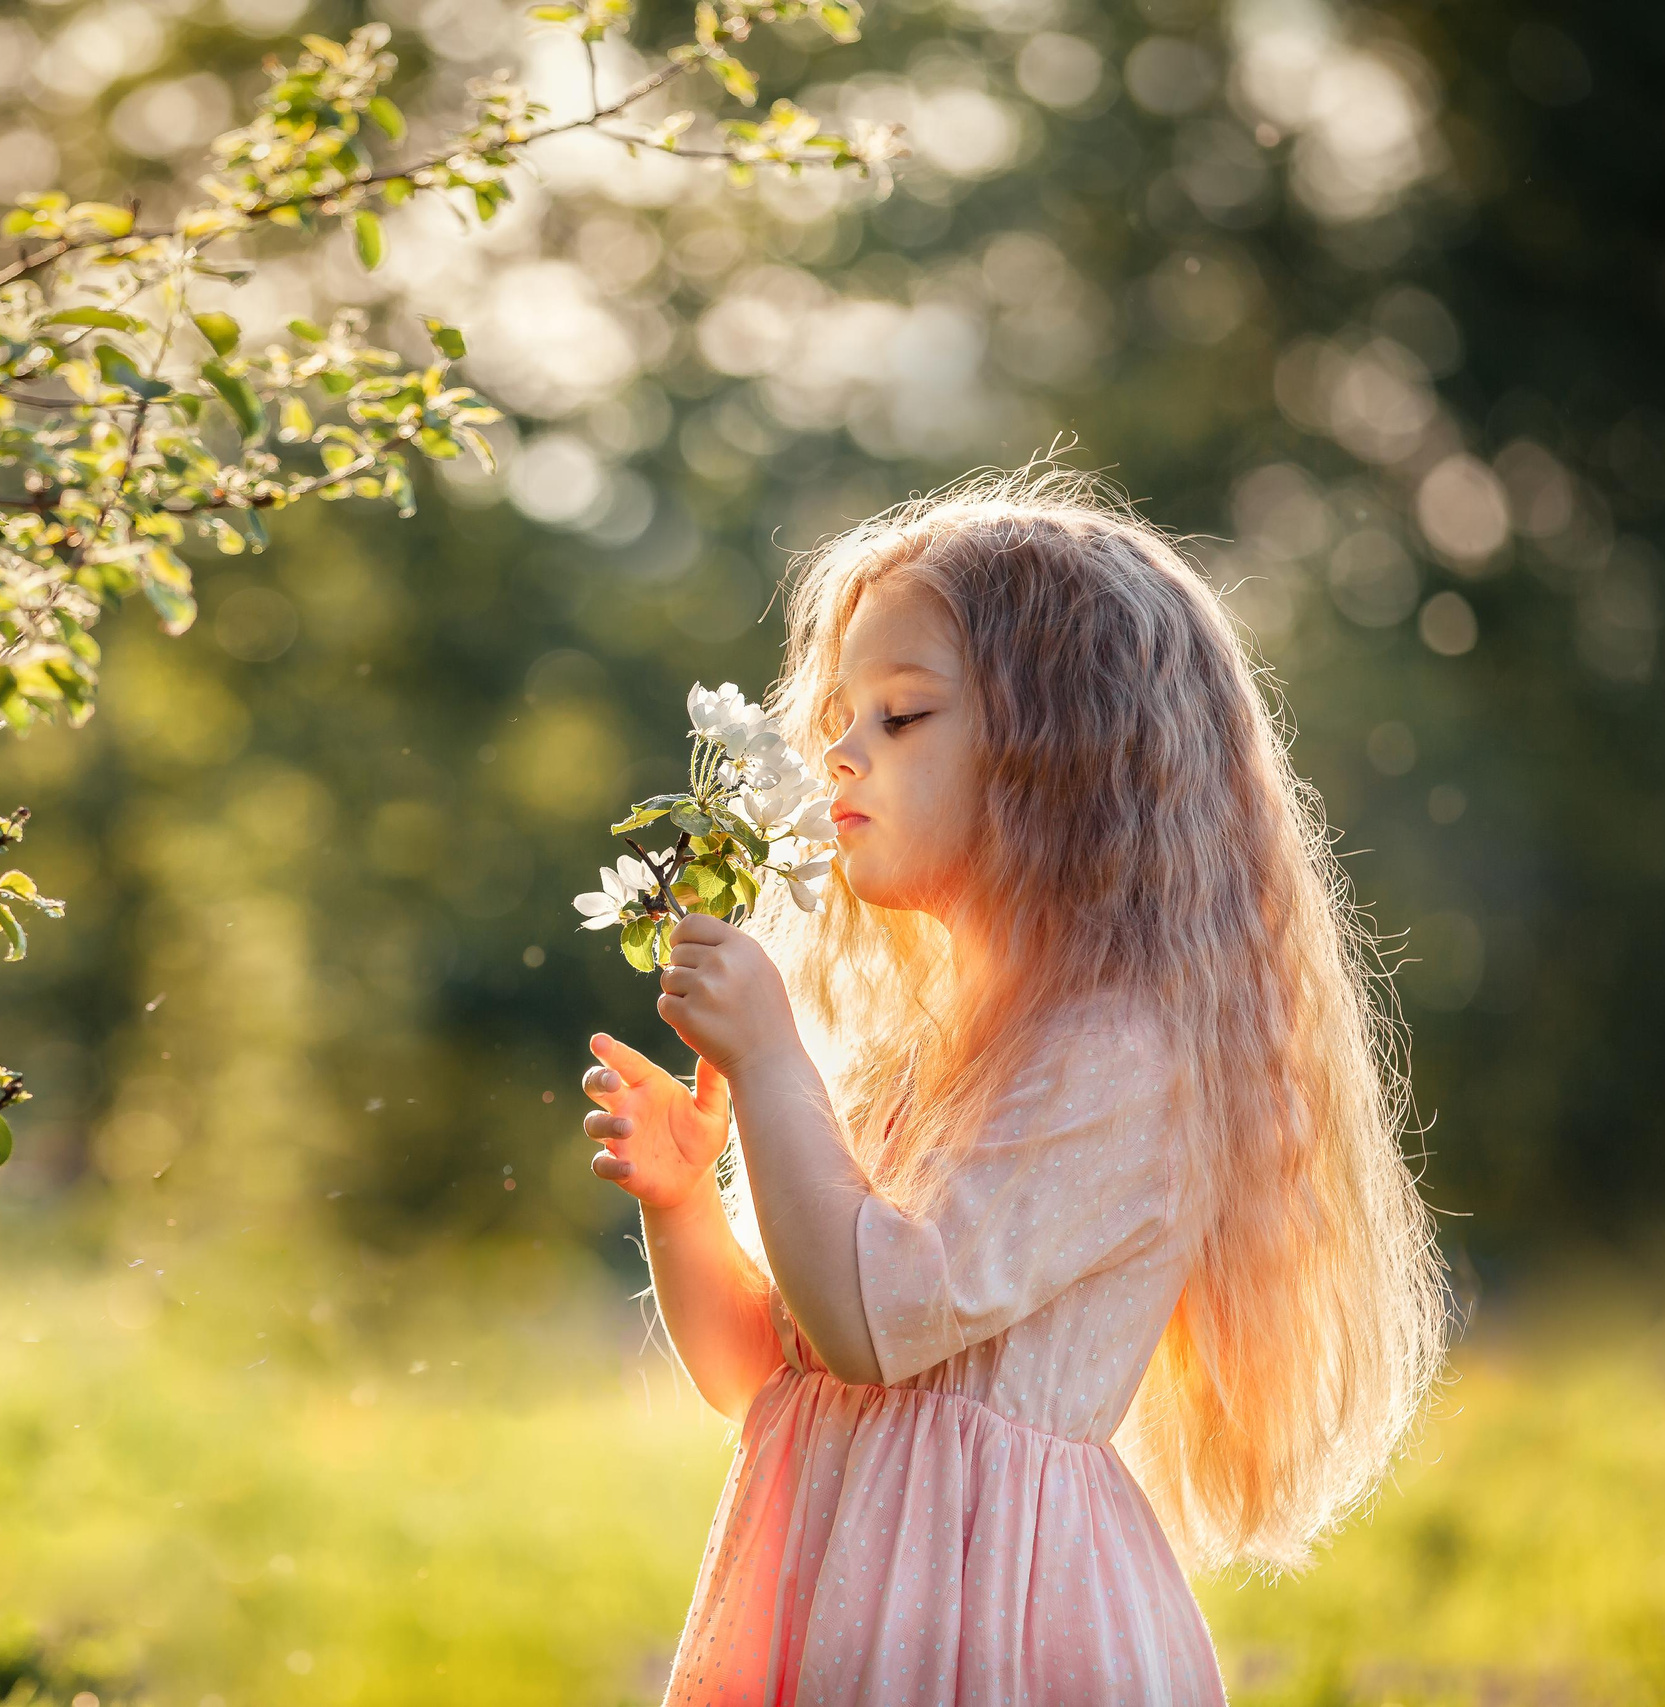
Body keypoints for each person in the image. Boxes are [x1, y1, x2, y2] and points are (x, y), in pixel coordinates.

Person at [578, 464, 1448, 1704]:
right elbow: (771, 1374)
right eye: (840, 714)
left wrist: (769, 1060)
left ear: (1062, 758)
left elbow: (877, 1328)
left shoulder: (1119, 1060)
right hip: (856, 1613)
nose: (838, 755)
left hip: (993, 1627)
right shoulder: (918, 1053)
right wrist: (681, 1201)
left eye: (902, 716)